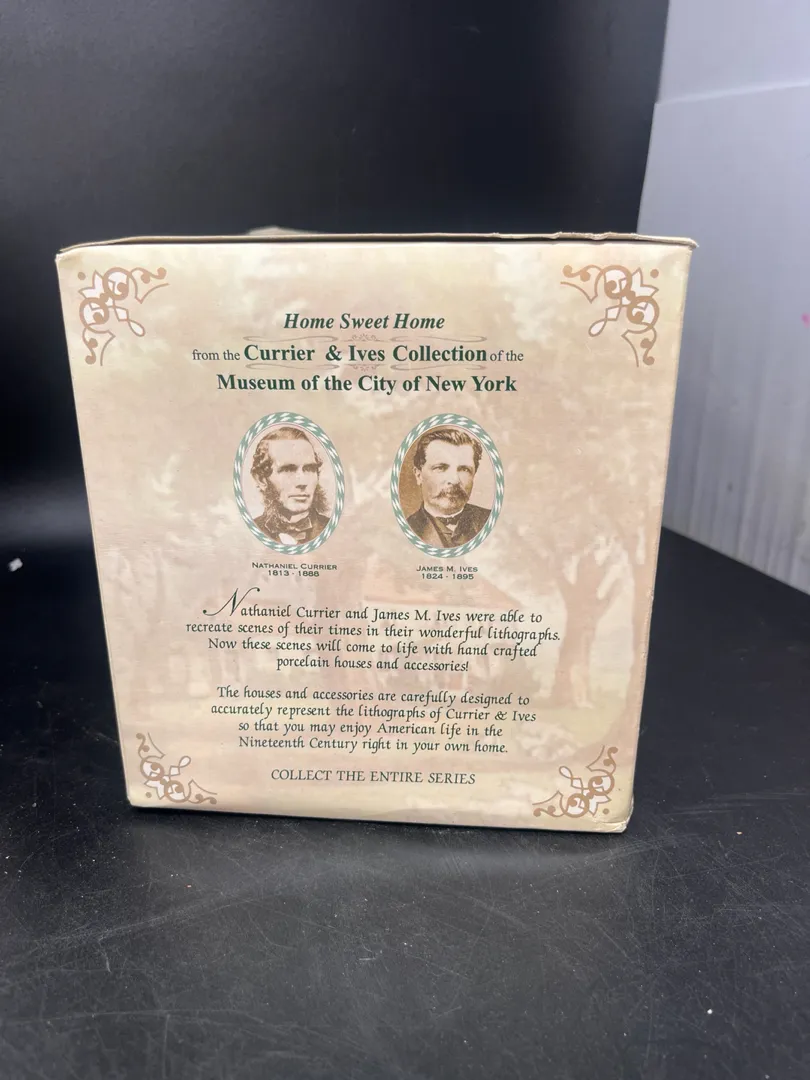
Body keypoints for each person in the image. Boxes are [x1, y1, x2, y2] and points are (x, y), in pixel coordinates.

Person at [406, 426, 490, 547]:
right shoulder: (406, 529)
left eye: (464, 469)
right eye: (440, 468)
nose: (454, 480)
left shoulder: (491, 521)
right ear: (419, 475)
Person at [250, 426, 330, 544]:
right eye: (288, 470)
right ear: (261, 480)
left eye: (309, 469)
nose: (302, 482)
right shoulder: (249, 532)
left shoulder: (331, 529)